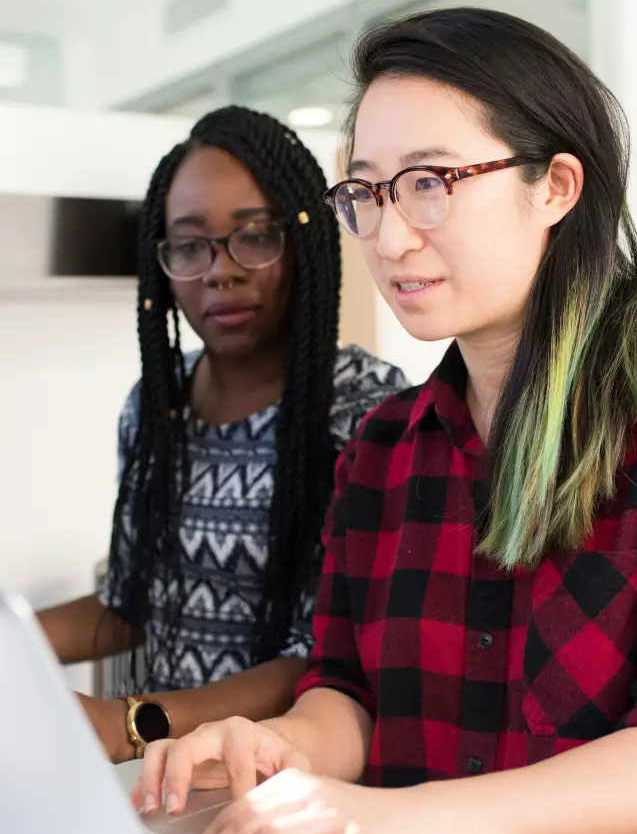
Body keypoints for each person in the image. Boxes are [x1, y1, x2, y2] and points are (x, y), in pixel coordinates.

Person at [132, 10, 637, 834]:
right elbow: (347, 692)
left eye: (430, 182)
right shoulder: (384, 447)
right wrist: (282, 744)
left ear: (556, 187)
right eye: (366, 193)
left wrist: (409, 818)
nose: (389, 240)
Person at [37, 106, 407, 764]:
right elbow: (132, 600)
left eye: (255, 236)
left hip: (292, 783)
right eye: (189, 245)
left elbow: (327, 657)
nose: (220, 270)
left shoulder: (366, 412)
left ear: (304, 242)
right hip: (168, 783)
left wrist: (130, 723)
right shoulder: (157, 406)